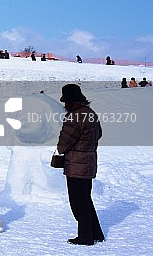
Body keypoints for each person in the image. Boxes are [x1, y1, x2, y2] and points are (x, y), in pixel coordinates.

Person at [56, 84, 104, 246]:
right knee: (85, 199)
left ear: (69, 101)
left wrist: (60, 151)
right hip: (89, 162)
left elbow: (64, 142)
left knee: (78, 202)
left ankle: (85, 236)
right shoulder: (90, 113)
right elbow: (99, 134)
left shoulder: (74, 116)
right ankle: (96, 233)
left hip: (76, 165)